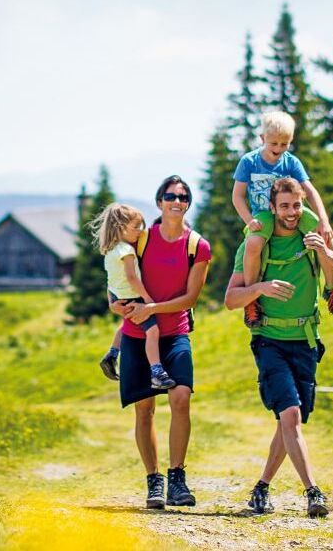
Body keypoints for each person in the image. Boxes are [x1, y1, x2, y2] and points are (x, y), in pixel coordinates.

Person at [225, 177, 333, 518]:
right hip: (269, 341)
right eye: (284, 207)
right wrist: (260, 288)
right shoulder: (257, 243)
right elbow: (231, 299)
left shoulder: (312, 236)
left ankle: (261, 487)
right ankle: (313, 492)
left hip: (306, 342)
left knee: (288, 423)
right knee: (290, 415)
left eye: (296, 205)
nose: (291, 213)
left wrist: (326, 251)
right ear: (272, 208)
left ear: (302, 204)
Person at [98, 175, 212, 509]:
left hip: (175, 332)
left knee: (180, 398)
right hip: (136, 333)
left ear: (188, 203)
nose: (177, 200)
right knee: (144, 410)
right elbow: (117, 273)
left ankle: (177, 478)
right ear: (159, 202)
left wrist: (152, 308)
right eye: (170, 195)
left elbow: (190, 298)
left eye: (183, 196)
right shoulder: (141, 238)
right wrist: (112, 302)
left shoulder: (197, 246)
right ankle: (154, 481)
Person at [233, 111, 333, 327]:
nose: (278, 149)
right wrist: (249, 220)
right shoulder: (249, 162)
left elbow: (310, 191)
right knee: (254, 243)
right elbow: (237, 196)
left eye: (284, 144)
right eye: (273, 143)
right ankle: (251, 300)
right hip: (264, 214)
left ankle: (331, 289)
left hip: (294, 210)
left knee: (323, 237)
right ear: (262, 139)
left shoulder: (291, 162)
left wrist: (324, 220)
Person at [90, 202, 173, 389]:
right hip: (132, 296)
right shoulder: (127, 251)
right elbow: (132, 277)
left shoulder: (110, 250)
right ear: (120, 227)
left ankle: (112, 354)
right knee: (153, 331)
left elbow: (112, 278)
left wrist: (112, 299)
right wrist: (147, 298)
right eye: (136, 227)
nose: (139, 231)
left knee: (126, 324)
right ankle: (157, 372)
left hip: (118, 294)